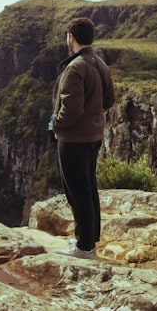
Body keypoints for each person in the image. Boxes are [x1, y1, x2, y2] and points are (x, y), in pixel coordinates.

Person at [49, 17, 115, 258]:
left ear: (72, 38)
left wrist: (55, 125)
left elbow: (71, 109)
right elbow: (109, 100)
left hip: (74, 140)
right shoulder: (99, 63)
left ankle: (83, 247)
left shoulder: (76, 67)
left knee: (77, 193)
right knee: (89, 189)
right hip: (94, 136)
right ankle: (88, 241)